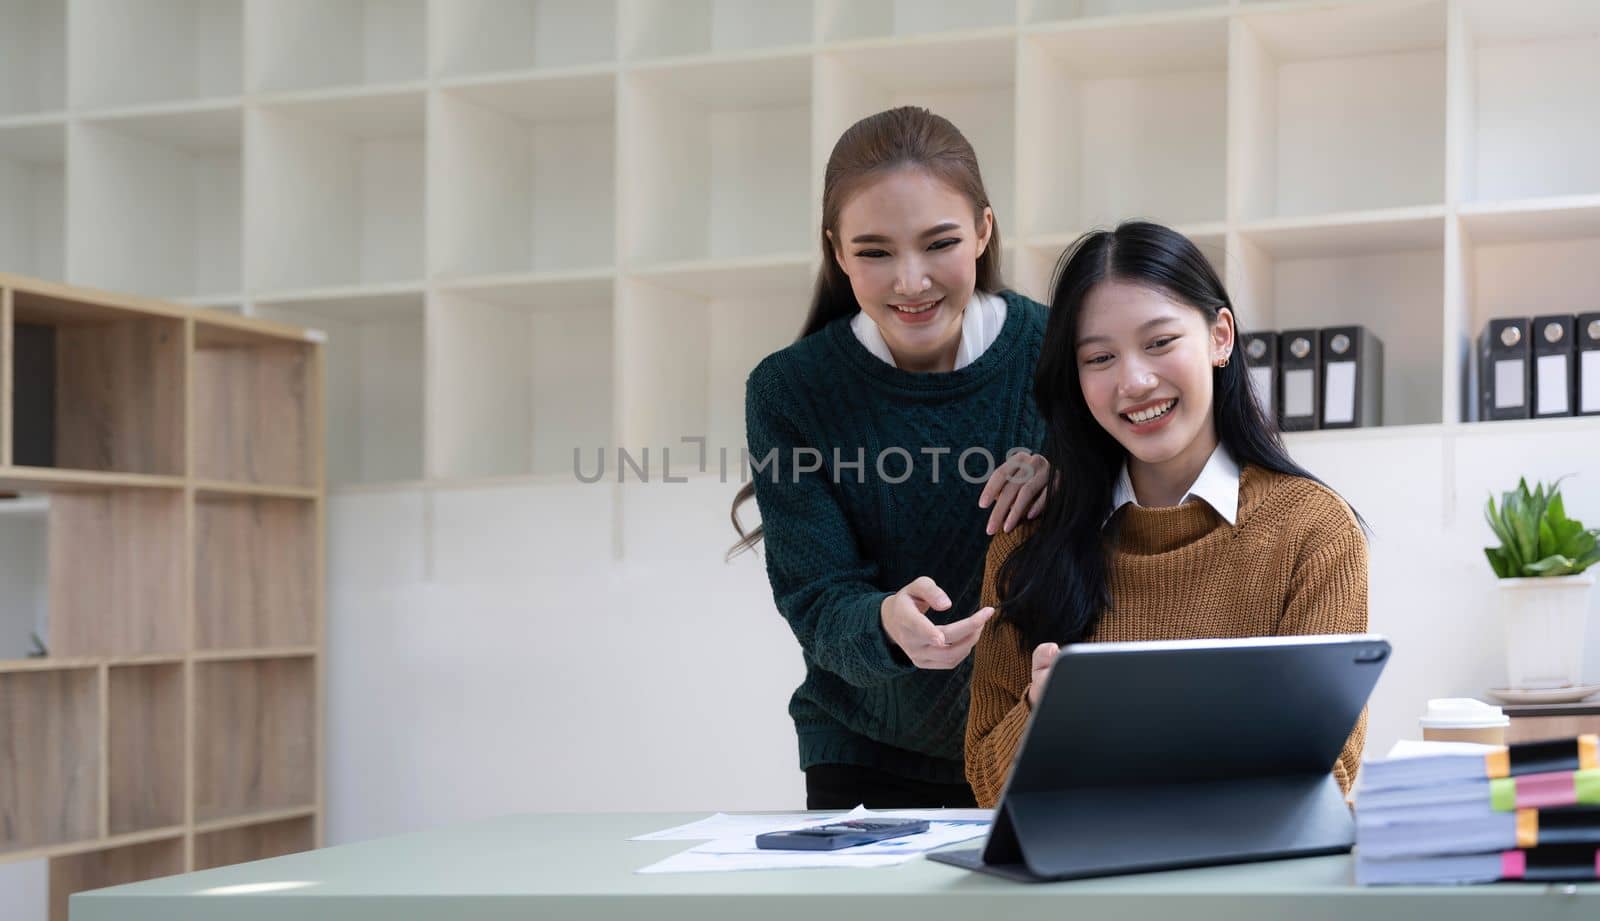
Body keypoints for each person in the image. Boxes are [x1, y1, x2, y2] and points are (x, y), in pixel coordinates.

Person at [965, 221, 1369, 808]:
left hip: (1243, 891)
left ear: (1219, 336)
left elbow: (1325, 777)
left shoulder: (1313, 530)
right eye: (1099, 357)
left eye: (1159, 342)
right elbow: (985, 786)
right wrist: (1042, 713)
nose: (1134, 380)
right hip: (1078, 891)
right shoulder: (1030, 539)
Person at [730, 107, 1052, 809]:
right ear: (837, 252)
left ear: (983, 233)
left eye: (940, 243)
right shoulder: (789, 392)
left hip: (1039, 733)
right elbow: (817, 595)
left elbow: (1150, 495)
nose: (911, 282)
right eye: (874, 252)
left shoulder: (1060, 353)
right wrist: (883, 624)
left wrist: (1074, 470)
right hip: (867, 756)